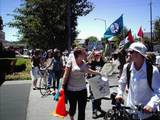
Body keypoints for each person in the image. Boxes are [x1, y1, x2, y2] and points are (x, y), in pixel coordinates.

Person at [115, 42, 160, 120]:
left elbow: (157, 91)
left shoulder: (153, 70)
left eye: (131, 52)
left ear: (139, 54)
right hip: (130, 111)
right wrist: (120, 94)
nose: (128, 54)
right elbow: (122, 82)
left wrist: (151, 105)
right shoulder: (127, 67)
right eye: (128, 51)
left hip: (147, 115)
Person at [61, 47, 101, 120]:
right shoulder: (70, 62)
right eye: (83, 53)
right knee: (73, 108)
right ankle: (72, 117)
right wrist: (62, 87)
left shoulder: (83, 62)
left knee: (82, 110)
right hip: (71, 90)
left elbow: (88, 70)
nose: (85, 54)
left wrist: (99, 73)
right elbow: (65, 75)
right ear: (78, 55)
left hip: (82, 90)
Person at [87, 50, 106, 118]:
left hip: (101, 82)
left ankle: (98, 108)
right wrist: (92, 53)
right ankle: (94, 112)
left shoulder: (102, 62)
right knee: (94, 97)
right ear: (94, 56)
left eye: (98, 55)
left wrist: (102, 54)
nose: (97, 56)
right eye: (96, 55)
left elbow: (107, 65)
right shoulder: (92, 62)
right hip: (93, 81)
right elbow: (88, 59)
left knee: (100, 97)